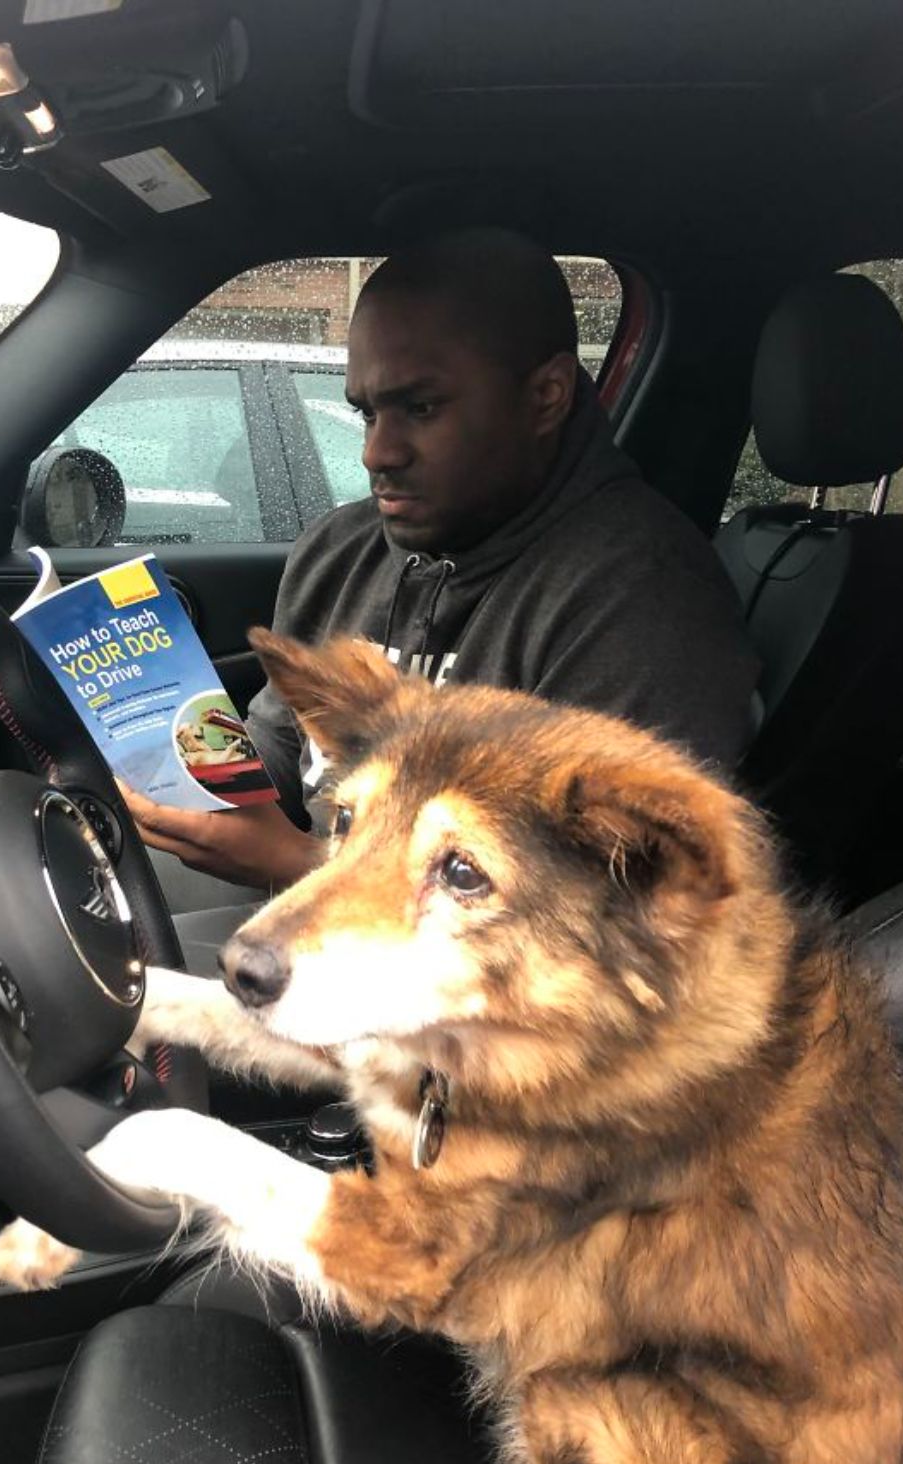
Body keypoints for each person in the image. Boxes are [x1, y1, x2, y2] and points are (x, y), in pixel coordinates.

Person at [121, 229, 760, 967]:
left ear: (546, 396)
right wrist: (182, 782)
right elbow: (283, 743)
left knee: (110, 984)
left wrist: (295, 862)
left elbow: (590, 932)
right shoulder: (339, 550)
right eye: (366, 412)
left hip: (467, 997)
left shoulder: (644, 604)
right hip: (310, 893)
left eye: (419, 408)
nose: (376, 452)